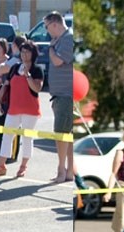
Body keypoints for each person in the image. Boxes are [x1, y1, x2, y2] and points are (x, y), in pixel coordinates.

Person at [0, 41, 44, 178]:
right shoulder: (14, 68)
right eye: (23, 51)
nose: (24, 55)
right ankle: (1, 165)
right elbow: (6, 85)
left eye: (27, 52)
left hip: (30, 109)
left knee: (27, 137)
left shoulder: (37, 69)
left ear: (33, 54)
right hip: (14, 107)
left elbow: (37, 88)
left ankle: (23, 166)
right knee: (7, 134)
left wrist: (28, 76)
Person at [44, 11, 74, 183]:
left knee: (61, 134)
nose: (47, 31)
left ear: (55, 24)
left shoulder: (68, 39)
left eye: (47, 27)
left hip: (65, 96)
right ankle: (68, 171)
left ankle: (61, 170)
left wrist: (50, 49)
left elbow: (58, 61)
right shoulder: (58, 40)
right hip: (59, 95)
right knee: (66, 135)